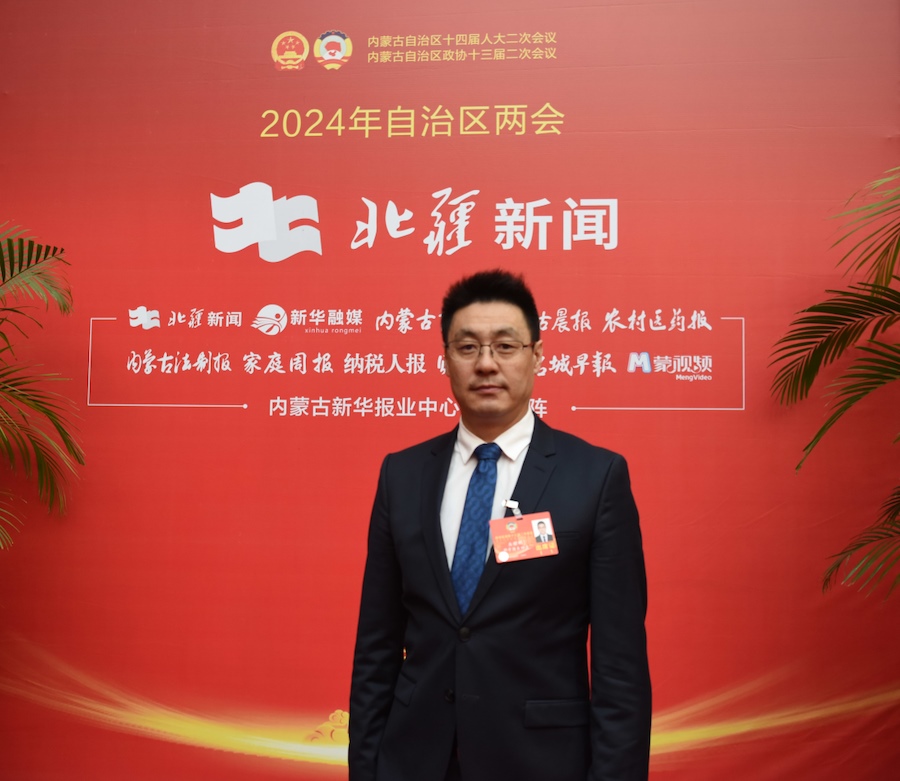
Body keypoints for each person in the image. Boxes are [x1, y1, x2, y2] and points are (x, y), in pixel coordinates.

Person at [349, 270, 651, 781]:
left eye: (505, 346)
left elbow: (620, 666)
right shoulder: (402, 475)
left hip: (540, 761)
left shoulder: (595, 477)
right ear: (446, 358)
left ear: (537, 355)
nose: (486, 363)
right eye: (467, 347)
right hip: (415, 758)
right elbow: (375, 647)